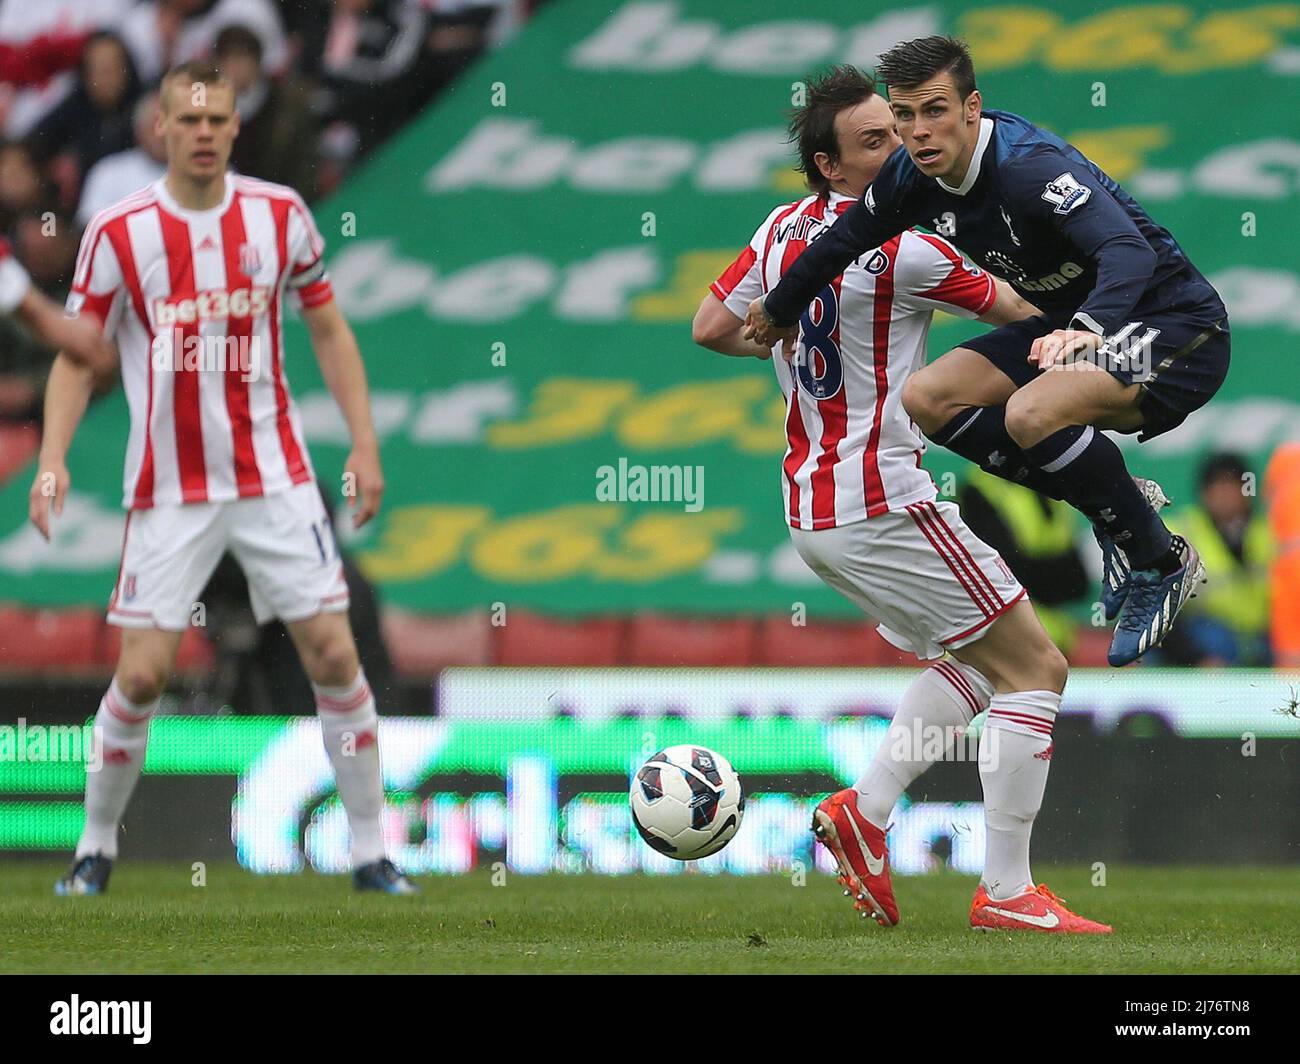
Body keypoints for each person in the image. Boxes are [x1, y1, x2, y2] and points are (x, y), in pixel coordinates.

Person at [694, 66, 1109, 933]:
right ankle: (1007, 892)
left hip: (815, 508)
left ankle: (867, 809)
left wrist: (809, 354)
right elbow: (1020, 311)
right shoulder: (904, 247)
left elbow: (711, 327)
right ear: (830, 167)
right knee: (1038, 668)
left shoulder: (779, 233)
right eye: (874, 142)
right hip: (882, 495)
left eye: (898, 132)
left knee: (974, 661)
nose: (899, 152)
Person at [28, 61, 415, 896]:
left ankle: (371, 852)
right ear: (160, 129)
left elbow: (330, 329)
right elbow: (76, 356)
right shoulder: (120, 232)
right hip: (169, 491)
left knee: (334, 656)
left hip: (274, 478)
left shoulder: (280, 217)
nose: (203, 132)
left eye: (217, 119)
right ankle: (94, 850)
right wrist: (53, 457)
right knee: (140, 675)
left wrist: (364, 443)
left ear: (236, 127)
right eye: (188, 119)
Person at [745, 36, 1228, 669]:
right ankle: (1121, 511)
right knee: (927, 397)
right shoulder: (909, 177)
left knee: (1032, 413)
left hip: (1171, 327)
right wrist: (780, 307)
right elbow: (843, 241)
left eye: (936, 110)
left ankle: (1160, 561)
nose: (918, 132)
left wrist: (1086, 325)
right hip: (1070, 327)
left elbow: (1129, 253)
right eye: (904, 116)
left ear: (973, 108)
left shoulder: (1031, 168)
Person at [1161, 454, 1273, 666]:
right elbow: (1157, 610)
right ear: (1204, 493)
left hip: (1260, 638)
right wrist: (1195, 658)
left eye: (1233, 486)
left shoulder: (1268, 535)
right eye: (1217, 487)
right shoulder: (1179, 534)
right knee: (1215, 637)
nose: (1225, 496)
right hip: (1202, 640)